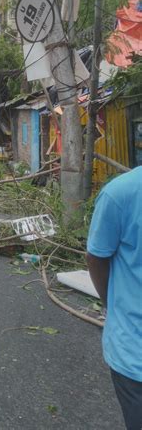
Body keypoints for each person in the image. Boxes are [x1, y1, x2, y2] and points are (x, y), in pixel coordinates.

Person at [86, 166, 142, 430]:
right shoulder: (121, 194)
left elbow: (97, 259)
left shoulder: (119, 193)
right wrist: (112, 304)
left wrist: (111, 305)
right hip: (135, 356)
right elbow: (97, 257)